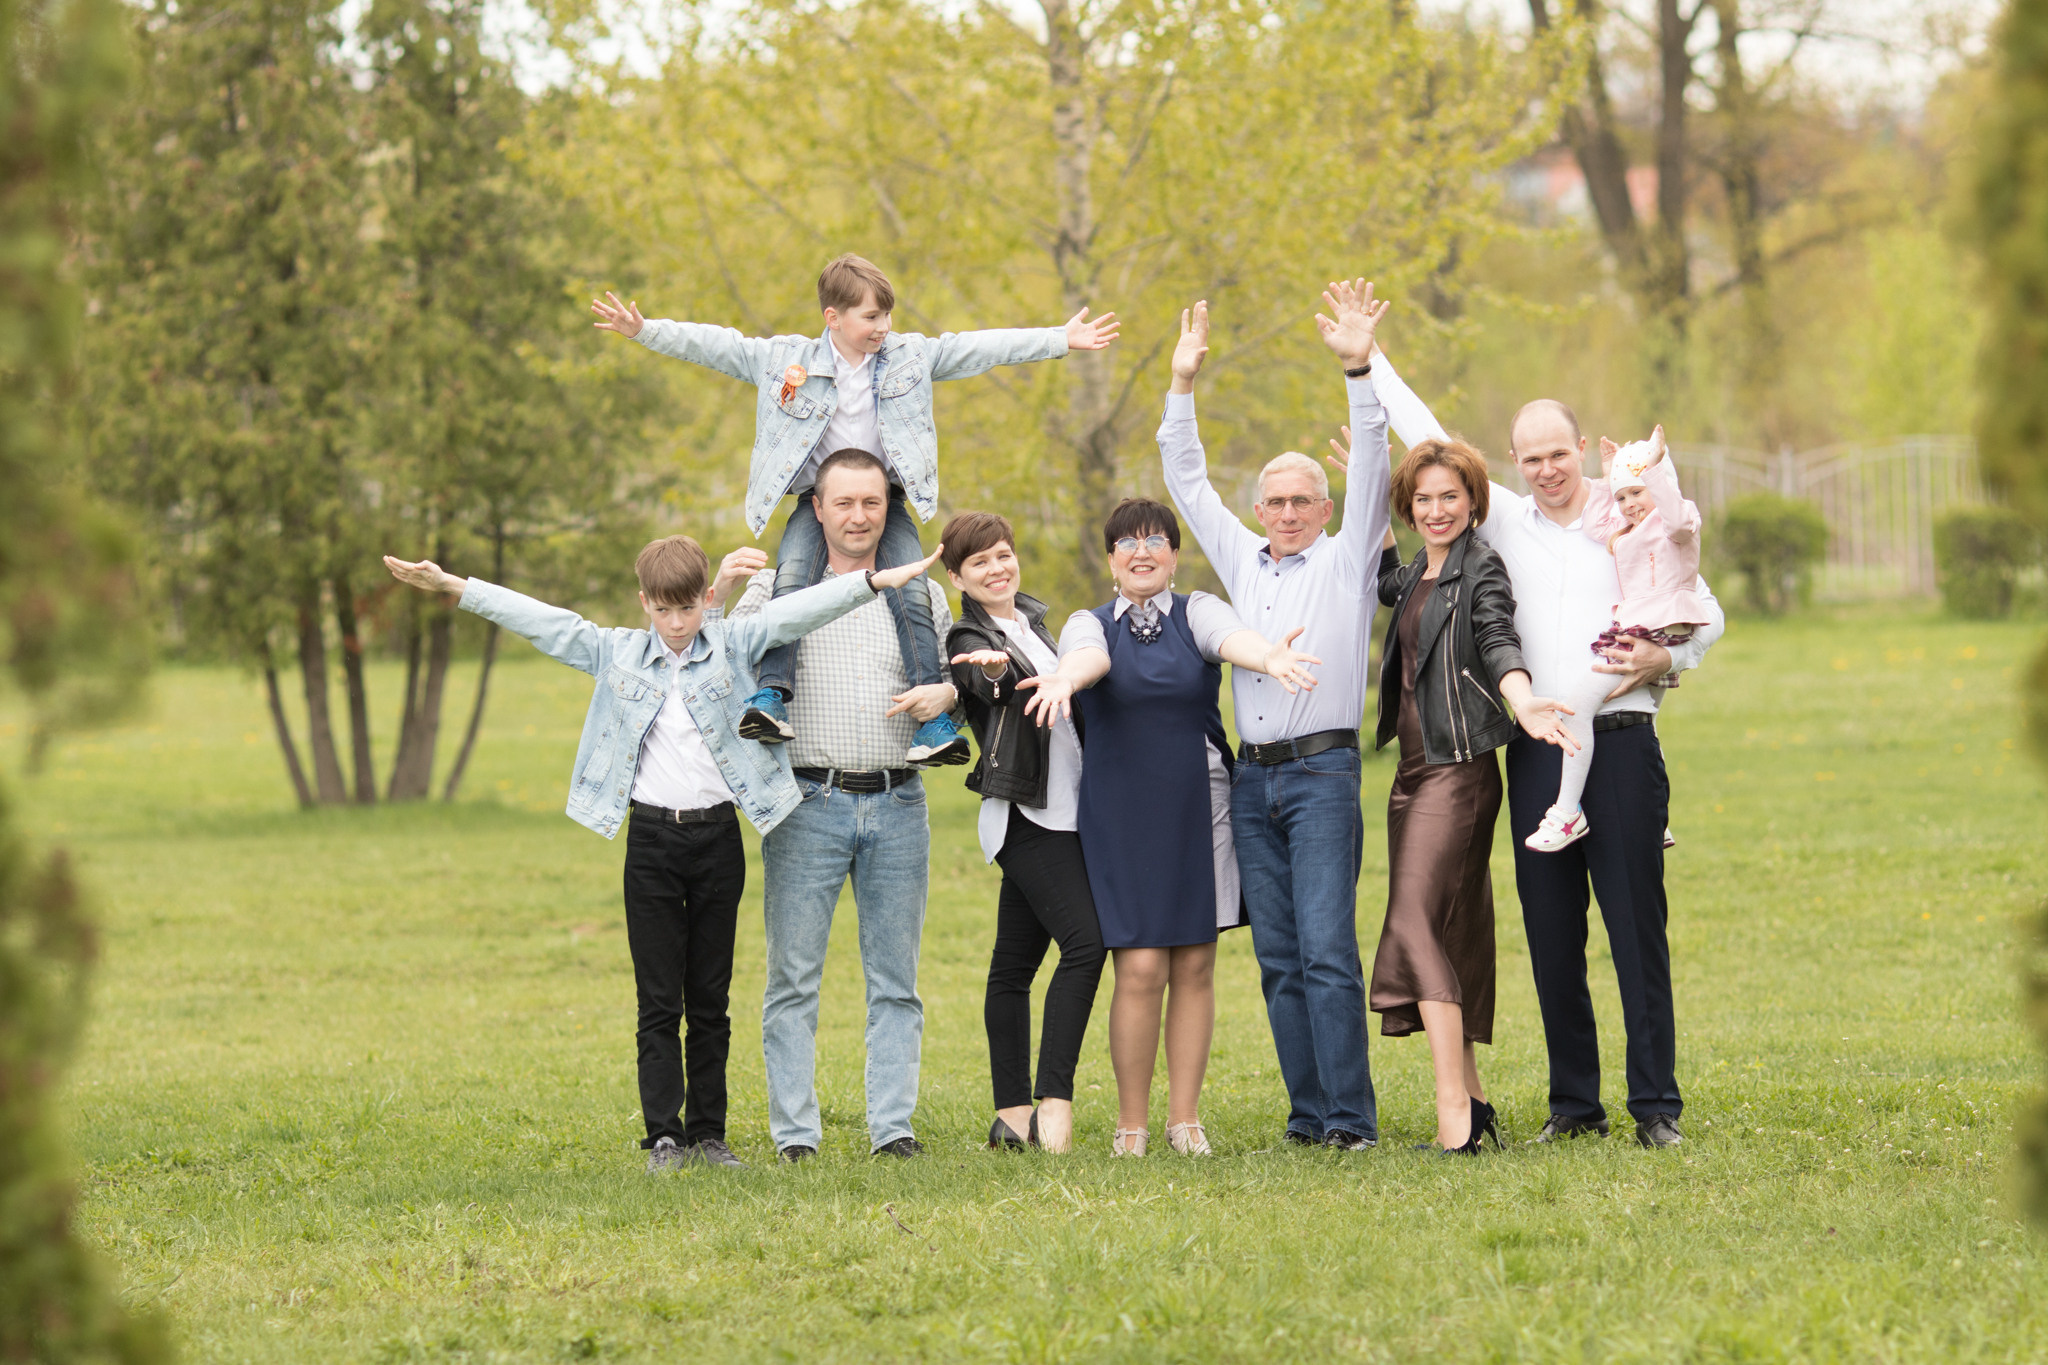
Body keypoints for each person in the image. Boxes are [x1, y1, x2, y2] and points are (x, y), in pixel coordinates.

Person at [379, 532, 944, 1173]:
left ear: (707, 600)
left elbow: (798, 611)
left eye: (688, 609)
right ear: (644, 602)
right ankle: (664, 1137)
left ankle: (708, 1134)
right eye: (664, 610)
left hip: (718, 840)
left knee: (710, 999)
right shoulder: (614, 653)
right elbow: (542, 621)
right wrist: (453, 585)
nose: (677, 625)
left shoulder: (733, 644)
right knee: (658, 1001)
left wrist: (873, 581)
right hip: (651, 841)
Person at [1347, 349, 1726, 1149]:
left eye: (1559, 453)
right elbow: (1427, 433)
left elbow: (1707, 608)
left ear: (1582, 449)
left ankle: (1655, 1105)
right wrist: (1367, 360)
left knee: (1635, 929)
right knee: (1553, 935)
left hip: (1621, 746)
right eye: (1532, 458)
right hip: (1536, 755)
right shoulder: (1506, 522)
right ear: (1513, 463)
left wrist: (1666, 655)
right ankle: (1574, 1104)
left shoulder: (1628, 519)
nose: (1547, 469)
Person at [592, 254, 1119, 766]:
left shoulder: (909, 357)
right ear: (833, 317)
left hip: (885, 500)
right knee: (791, 584)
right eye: (870, 317)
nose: (883, 327)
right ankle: (772, 696)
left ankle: (932, 722)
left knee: (912, 592)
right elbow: (716, 346)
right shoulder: (785, 360)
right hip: (819, 501)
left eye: (887, 315)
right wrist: (644, 331)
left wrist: (1059, 338)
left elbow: (978, 348)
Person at [1154, 284, 1393, 1151]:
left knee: (1328, 951)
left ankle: (1349, 1120)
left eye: (1303, 501)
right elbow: (1185, 478)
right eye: (1275, 501)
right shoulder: (1243, 562)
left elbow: (1375, 465)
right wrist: (1182, 383)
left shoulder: (1347, 563)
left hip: (1323, 774)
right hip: (1252, 781)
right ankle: (1307, 1115)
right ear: (1259, 509)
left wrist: (1358, 372)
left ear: (1325, 510)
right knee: (1279, 957)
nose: (1288, 512)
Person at [1021, 498, 1323, 1158]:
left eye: (1156, 540)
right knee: (1139, 966)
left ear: (1175, 555)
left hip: (1201, 804)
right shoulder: (1088, 624)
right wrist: (1065, 679)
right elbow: (1088, 659)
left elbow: (1230, 639)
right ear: (1111, 559)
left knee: (1194, 961)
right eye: (1128, 542)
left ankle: (1185, 1120)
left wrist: (1268, 658)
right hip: (1121, 815)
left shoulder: (1197, 611)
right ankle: (1131, 1124)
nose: (1143, 551)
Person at [720, 449, 960, 1162]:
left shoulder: (921, 595)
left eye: (872, 503)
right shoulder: (776, 588)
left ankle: (894, 1129)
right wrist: (716, 591)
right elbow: (718, 661)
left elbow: (952, 688)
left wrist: (950, 694)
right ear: (817, 509)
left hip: (898, 802)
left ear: (889, 510)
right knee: (793, 979)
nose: (859, 517)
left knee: (897, 980)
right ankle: (796, 1135)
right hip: (806, 804)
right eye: (845, 503)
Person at [1366, 437, 1575, 1154]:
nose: (1436, 510)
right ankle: (1476, 1100)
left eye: (1449, 496)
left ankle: (1452, 1109)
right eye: (1422, 498)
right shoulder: (1418, 573)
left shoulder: (1480, 566)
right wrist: (1369, 481)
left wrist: (1521, 697)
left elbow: (1496, 635)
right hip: (1412, 773)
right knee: (1450, 928)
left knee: (1413, 920)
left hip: (1457, 772)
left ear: (1473, 500)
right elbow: (1380, 578)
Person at [941, 511, 1104, 1155]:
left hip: (1068, 812)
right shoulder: (969, 635)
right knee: (1086, 945)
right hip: (1029, 817)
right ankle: (1053, 1107)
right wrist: (989, 670)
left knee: (1012, 967)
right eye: (978, 562)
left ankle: (1010, 1119)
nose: (996, 569)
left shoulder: (1035, 625)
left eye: (1003, 554)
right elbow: (988, 680)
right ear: (958, 577)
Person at [1525, 426, 1712, 853]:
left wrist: (1656, 466)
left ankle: (1567, 812)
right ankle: (1657, 818)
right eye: (1622, 497)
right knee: (1650, 722)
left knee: (1578, 707)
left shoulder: (1676, 525)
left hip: (1654, 630)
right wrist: (1610, 475)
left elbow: (1676, 515)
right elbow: (1595, 523)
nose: (1629, 504)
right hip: (1645, 630)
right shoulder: (1627, 533)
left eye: (1636, 493)